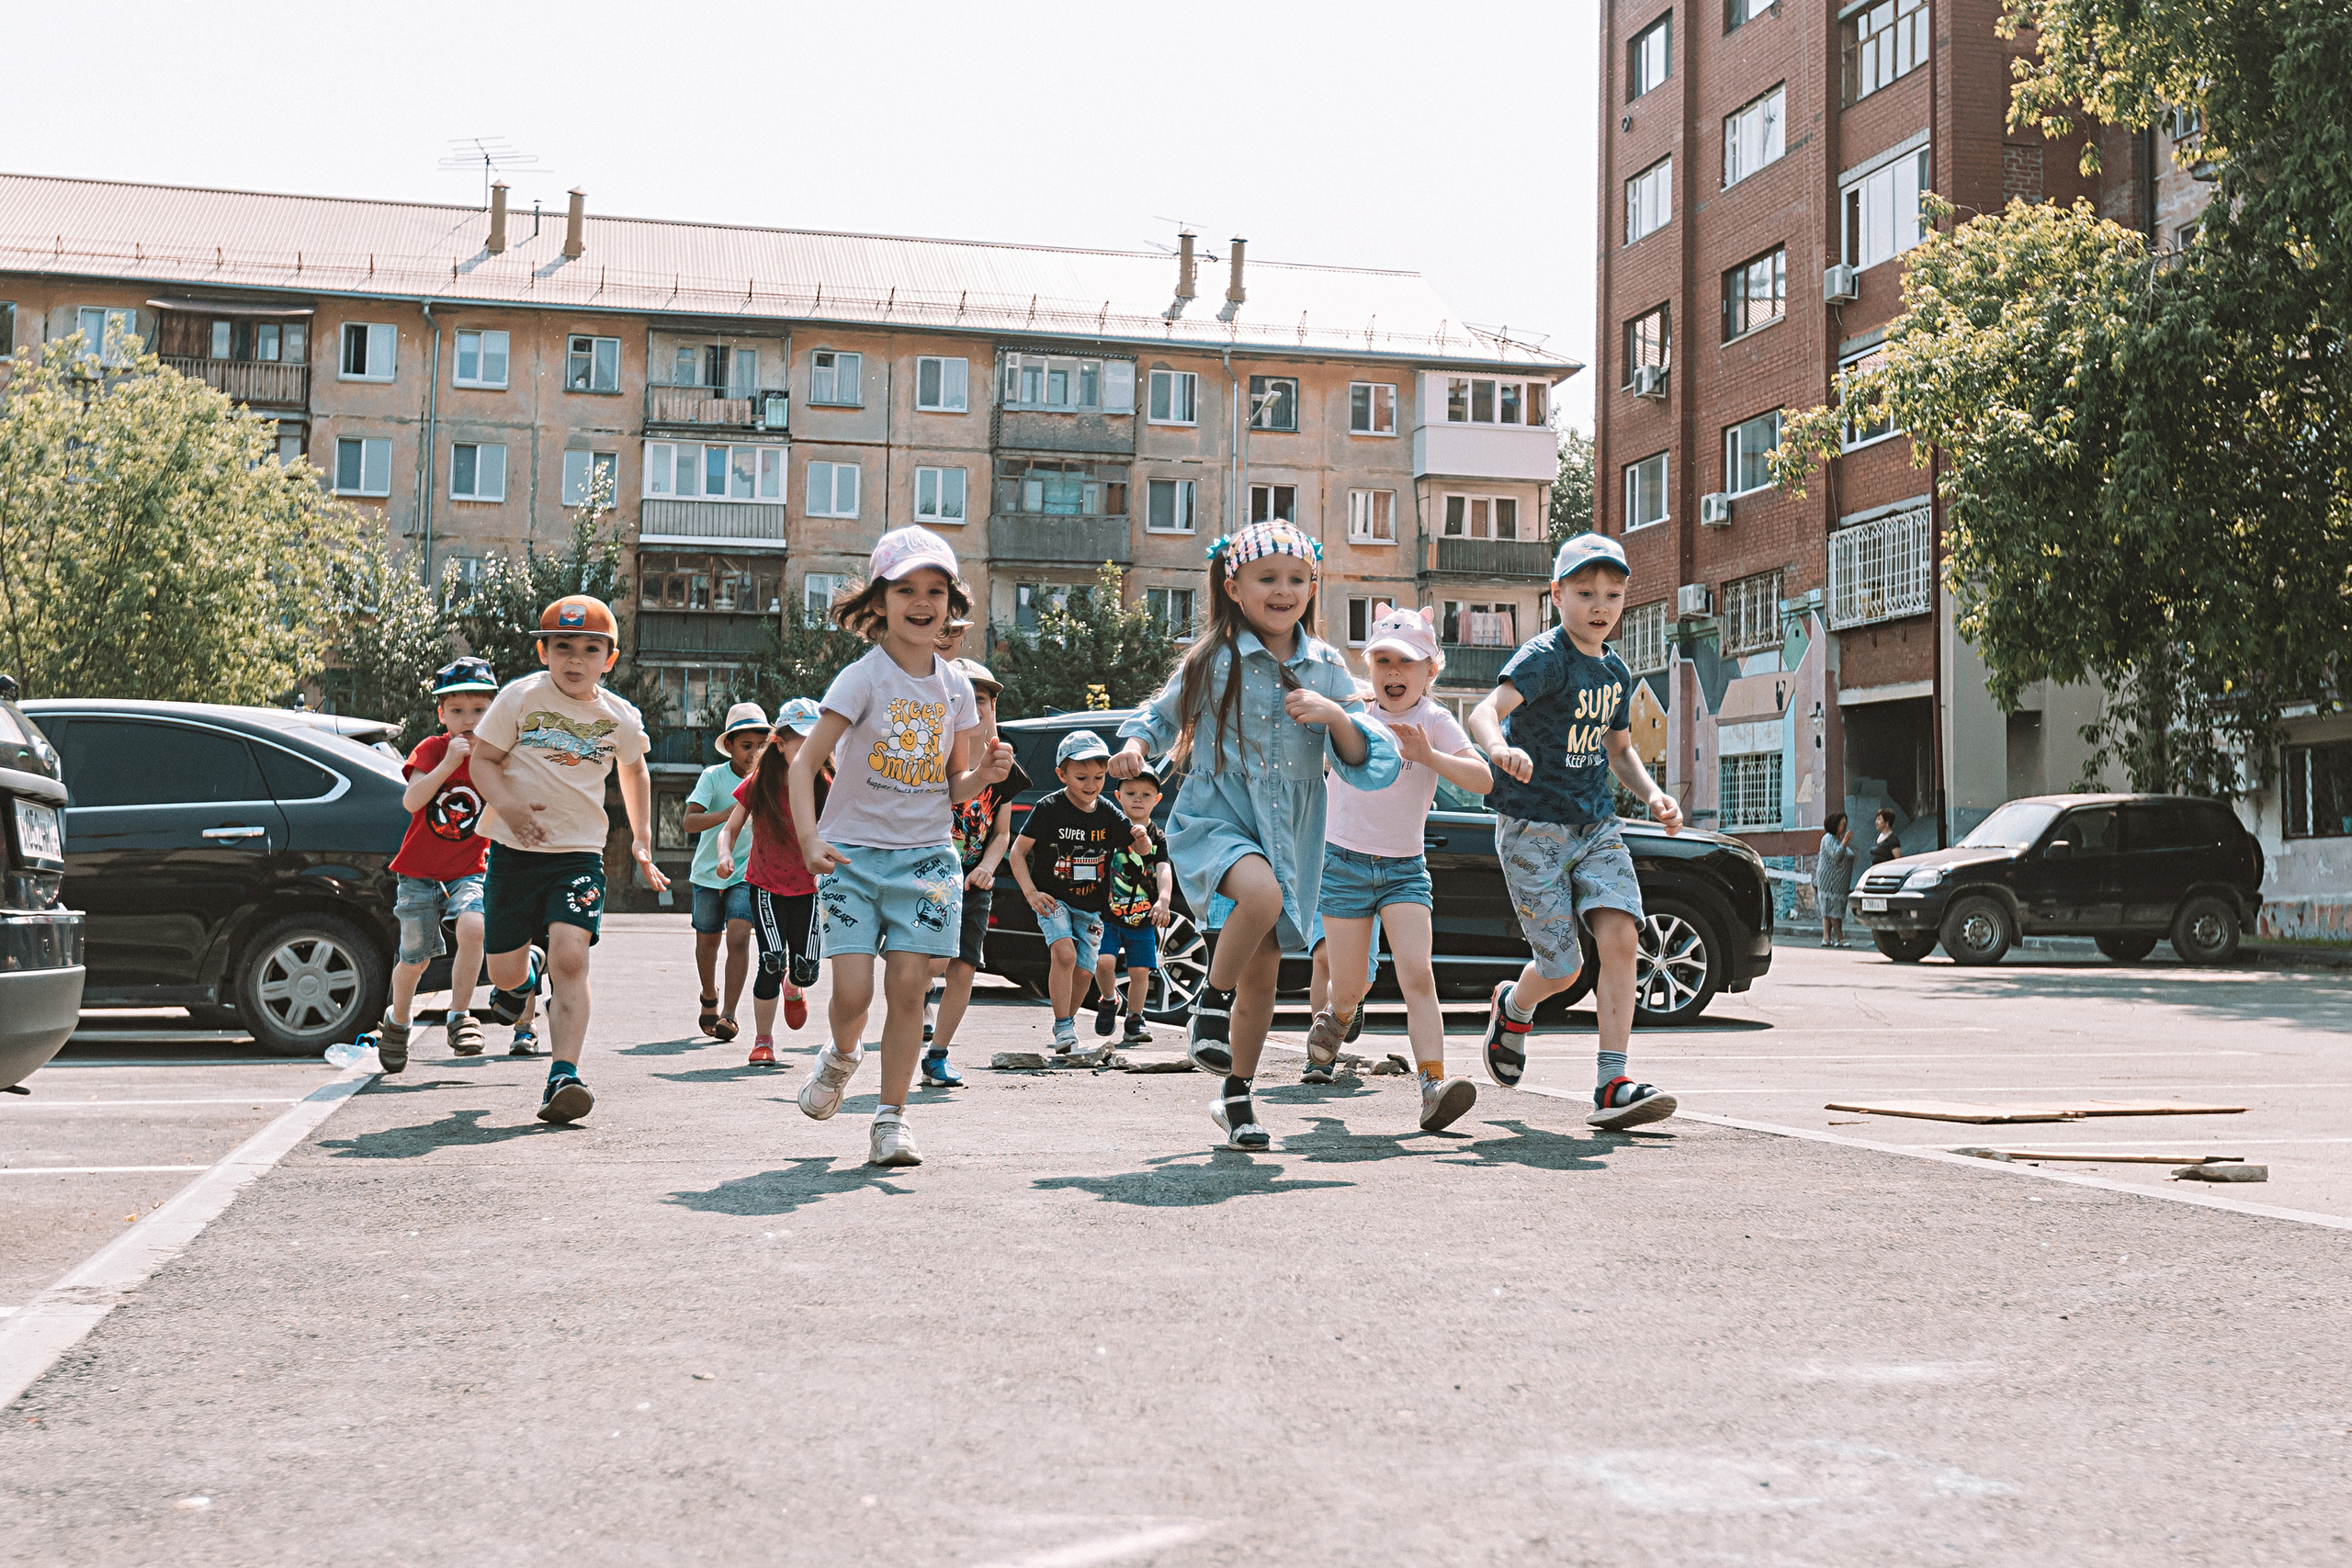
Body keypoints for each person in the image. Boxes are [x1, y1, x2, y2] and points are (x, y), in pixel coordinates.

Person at [1112, 520, 1398, 1151]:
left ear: (1313, 586)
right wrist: (1134, 747)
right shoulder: (1214, 659)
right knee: (1260, 897)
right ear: (1234, 586)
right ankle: (1208, 1004)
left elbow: (1368, 759)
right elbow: (1159, 717)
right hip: (1218, 818)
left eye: (1296, 579)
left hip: (1289, 832)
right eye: (1268, 578)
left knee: (1264, 976)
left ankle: (1236, 1093)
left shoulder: (1324, 667)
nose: (1283, 590)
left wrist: (1332, 715)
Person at [787, 528, 1012, 1168]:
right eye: (906, 589)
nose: (922, 602)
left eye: (935, 591)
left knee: (910, 988)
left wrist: (987, 777)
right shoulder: (862, 679)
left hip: (927, 857)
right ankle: (840, 1055)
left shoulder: (957, 688)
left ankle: (891, 1118)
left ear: (951, 604)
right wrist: (810, 837)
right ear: (880, 601)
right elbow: (805, 765)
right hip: (852, 857)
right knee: (854, 995)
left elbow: (956, 786)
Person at [1465, 533, 1684, 1131]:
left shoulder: (1615, 668)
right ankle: (1513, 1008)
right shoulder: (1545, 657)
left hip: (1596, 826)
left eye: (1612, 594)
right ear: (1557, 593)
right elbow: (1485, 711)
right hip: (1532, 827)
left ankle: (1612, 1083)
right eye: (1585, 592)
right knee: (1562, 970)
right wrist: (1498, 748)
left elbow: (1619, 748)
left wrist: (1653, 792)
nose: (1599, 605)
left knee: (1620, 936)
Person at [469, 594, 668, 1124]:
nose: (575, 660)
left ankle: (564, 1074)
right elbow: (483, 761)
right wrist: (507, 806)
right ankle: (525, 974)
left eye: (589, 649)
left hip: (578, 856)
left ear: (609, 658)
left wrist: (642, 839)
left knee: (572, 958)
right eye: (563, 647)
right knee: (504, 972)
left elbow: (635, 771)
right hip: (515, 853)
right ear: (543, 652)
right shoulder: (519, 699)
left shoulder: (617, 716)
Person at [1310, 607, 1493, 1130]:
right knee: (1350, 987)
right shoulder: (1355, 712)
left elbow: (1482, 780)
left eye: (1406, 663)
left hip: (1405, 870)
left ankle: (1433, 1085)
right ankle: (1339, 1017)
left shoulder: (1434, 720)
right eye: (1383, 660)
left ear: (1429, 671)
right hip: (1342, 864)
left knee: (1419, 974)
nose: (1393, 672)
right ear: (1370, 666)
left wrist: (1430, 755)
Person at [378, 657, 519, 1073]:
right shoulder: (433, 748)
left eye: (479, 711)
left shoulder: (495, 758)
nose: (468, 721)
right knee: (416, 958)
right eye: (457, 711)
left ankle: (460, 1016)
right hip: (419, 871)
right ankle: (398, 1020)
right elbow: (411, 801)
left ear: (493, 712)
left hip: (469, 867)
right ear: (442, 714)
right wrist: (446, 765)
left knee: (474, 927)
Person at [924, 658, 1029, 1087]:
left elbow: (1001, 833)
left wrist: (987, 867)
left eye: (981, 700)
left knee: (963, 967)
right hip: (927, 876)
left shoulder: (1002, 767)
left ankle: (938, 1054)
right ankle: (917, 1010)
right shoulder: (928, 760)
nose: (973, 707)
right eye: (961, 699)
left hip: (971, 880)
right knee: (926, 964)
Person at [714, 698, 826, 1064]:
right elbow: (729, 829)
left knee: (805, 969)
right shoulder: (760, 782)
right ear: (779, 741)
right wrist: (725, 855)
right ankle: (764, 1040)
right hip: (764, 886)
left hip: (807, 888)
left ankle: (794, 988)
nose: (811, 751)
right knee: (772, 960)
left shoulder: (826, 784)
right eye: (802, 743)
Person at [1009, 728, 1131, 1054]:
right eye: (1081, 777)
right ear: (1061, 774)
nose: (1090, 785)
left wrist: (1143, 838)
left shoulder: (1107, 811)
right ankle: (1062, 1025)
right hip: (1054, 900)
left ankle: (1070, 1026)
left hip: (1092, 906)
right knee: (1064, 953)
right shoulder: (1049, 807)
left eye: (1098, 777)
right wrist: (1031, 894)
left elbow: (1134, 844)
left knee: (1083, 970)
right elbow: (1017, 853)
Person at [682, 702, 768, 1043]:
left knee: (738, 937)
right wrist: (732, 813)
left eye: (761, 746)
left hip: (747, 875)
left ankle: (730, 1015)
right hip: (707, 873)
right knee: (707, 940)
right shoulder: (713, 777)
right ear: (730, 745)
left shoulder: (767, 781)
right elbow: (689, 821)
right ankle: (709, 996)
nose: (753, 754)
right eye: (746, 746)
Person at [1091, 764, 1171, 1046]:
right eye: (1131, 793)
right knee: (1104, 961)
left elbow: (1163, 868)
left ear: (1157, 799)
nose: (1138, 799)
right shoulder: (1110, 829)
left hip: (1142, 917)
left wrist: (1163, 899)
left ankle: (1135, 1018)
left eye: (1146, 794)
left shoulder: (1158, 836)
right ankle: (1108, 999)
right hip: (1107, 914)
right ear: (1118, 795)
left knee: (1140, 971)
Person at [1815, 811, 1858, 948]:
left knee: (1829, 909)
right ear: (1835, 824)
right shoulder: (1828, 838)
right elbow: (1837, 855)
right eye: (1842, 823)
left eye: (1846, 823)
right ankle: (1840, 938)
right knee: (1834, 910)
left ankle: (1826, 938)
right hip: (1830, 880)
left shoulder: (1837, 839)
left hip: (1839, 881)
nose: (1845, 826)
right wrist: (1845, 841)